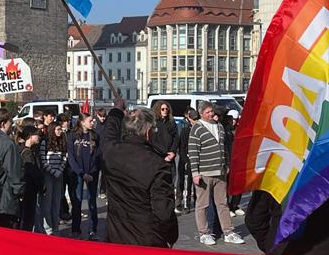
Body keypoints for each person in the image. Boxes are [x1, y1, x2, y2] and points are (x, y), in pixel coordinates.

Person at [99, 100, 176, 247]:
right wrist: (170, 237)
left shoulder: (112, 152)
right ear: (148, 132)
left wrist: (116, 111)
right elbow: (164, 213)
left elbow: (109, 133)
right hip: (148, 241)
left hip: (116, 238)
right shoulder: (158, 165)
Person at [187, 103, 243, 246]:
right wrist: (195, 173)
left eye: (211, 111)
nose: (211, 114)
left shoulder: (219, 127)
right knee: (203, 204)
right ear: (201, 113)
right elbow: (193, 152)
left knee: (222, 203)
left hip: (220, 172)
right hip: (204, 173)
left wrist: (227, 165)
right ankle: (204, 233)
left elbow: (224, 147)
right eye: (207, 112)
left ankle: (228, 232)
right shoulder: (197, 128)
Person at [67, 113, 101, 237]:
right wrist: (81, 173)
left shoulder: (95, 136)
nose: (92, 123)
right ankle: (76, 229)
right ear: (82, 122)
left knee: (92, 201)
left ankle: (93, 229)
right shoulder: (72, 136)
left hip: (92, 173)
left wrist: (91, 172)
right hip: (77, 173)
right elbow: (71, 157)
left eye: (93, 121)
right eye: (90, 121)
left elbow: (98, 156)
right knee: (77, 201)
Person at [38, 122, 67, 235]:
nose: (60, 131)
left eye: (61, 129)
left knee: (56, 203)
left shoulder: (62, 142)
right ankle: (48, 229)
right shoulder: (45, 142)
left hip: (59, 175)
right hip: (49, 175)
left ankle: (56, 228)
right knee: (47, 204)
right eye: (58, 129)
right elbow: (43, 160)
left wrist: (59, 171)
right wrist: (53, 171)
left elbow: (65, 157)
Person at [17, 125, 44, 232]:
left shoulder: (27, 150)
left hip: (28, 188)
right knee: (28, 218)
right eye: (36, 135)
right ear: (30, 136)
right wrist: (41, 185)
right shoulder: (26, 152)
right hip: (28, 189)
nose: (39, 137)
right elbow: (32, 172)